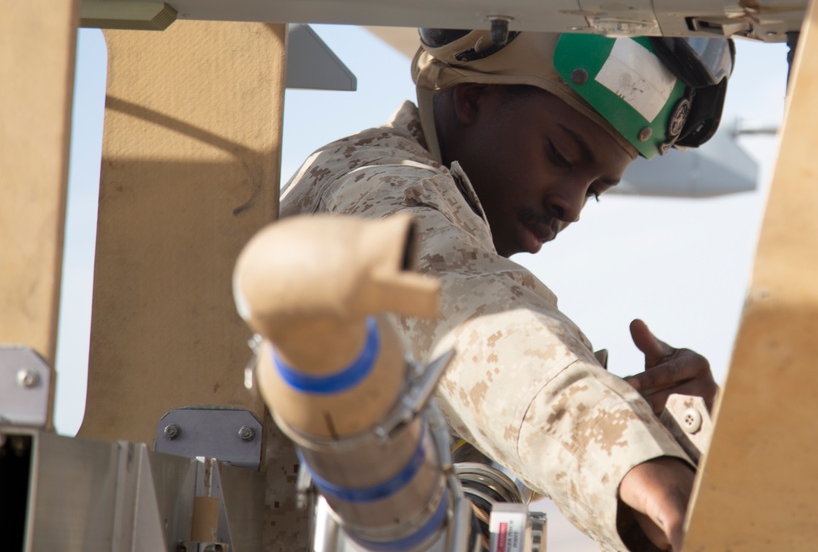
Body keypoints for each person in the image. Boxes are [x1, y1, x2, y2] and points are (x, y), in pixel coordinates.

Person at [279, 29, 733, 550]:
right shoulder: (374, 184)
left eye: (596, 191)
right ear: (473, 98)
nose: (573, 207)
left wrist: (664, 431)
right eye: (561, 155)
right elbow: (468, 321)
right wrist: (631, 457)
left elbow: (475, 434)